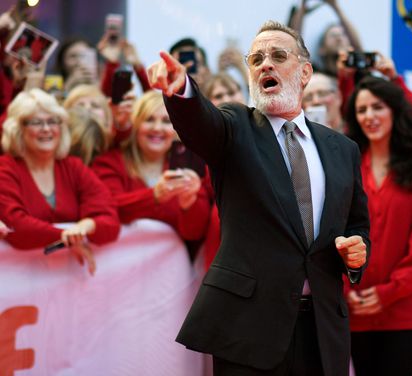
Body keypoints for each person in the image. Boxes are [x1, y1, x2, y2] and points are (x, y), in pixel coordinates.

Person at [148, 20, 370, 375]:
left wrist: (358, 252)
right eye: (257, 59)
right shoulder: (236, 126)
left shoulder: (342, 149)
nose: (265, 64)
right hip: (249, 329)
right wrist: (181, 91)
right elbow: (200, 123)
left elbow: (357, 224)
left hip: (322, 331)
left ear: (305, 72)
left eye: (278, 55)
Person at [345, 76, 412, 375]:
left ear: (396, 111)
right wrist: (345, 288)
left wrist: (390, 292)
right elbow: (335, 232)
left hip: (407, 306)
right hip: (356, 302)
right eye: (362, 110)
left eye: (378, 107)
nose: (369, 116)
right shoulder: (346, 162)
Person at [0, 89, 120, 275]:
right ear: (17, 129)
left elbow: (110, 220)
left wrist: (86, 226)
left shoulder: (73, 167)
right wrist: (66, 238)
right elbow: (15, 227)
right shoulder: (5, 168)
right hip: (18, 280)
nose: (46, 129)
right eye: (36, 122)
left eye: (52, 121)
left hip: (67, 282)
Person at [91, 91, 210, 242]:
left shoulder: (189, 167)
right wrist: (154, 195)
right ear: (136, 125)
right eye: (149, 120)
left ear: (176, 129)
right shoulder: (110, 162)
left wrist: (189, 203)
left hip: (169, 264)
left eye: (166, 121)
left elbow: (194, 234)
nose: (157, 128)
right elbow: (107, 208)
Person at [289, 0, 363, 77]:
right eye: (333, 35)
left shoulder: (356, 73)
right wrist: (303, 5)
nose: (339, 38)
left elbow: (358, 48)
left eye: (343, 35)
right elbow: (294, 46)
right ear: (322, 49)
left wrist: (335, 6)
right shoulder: (312, 73)